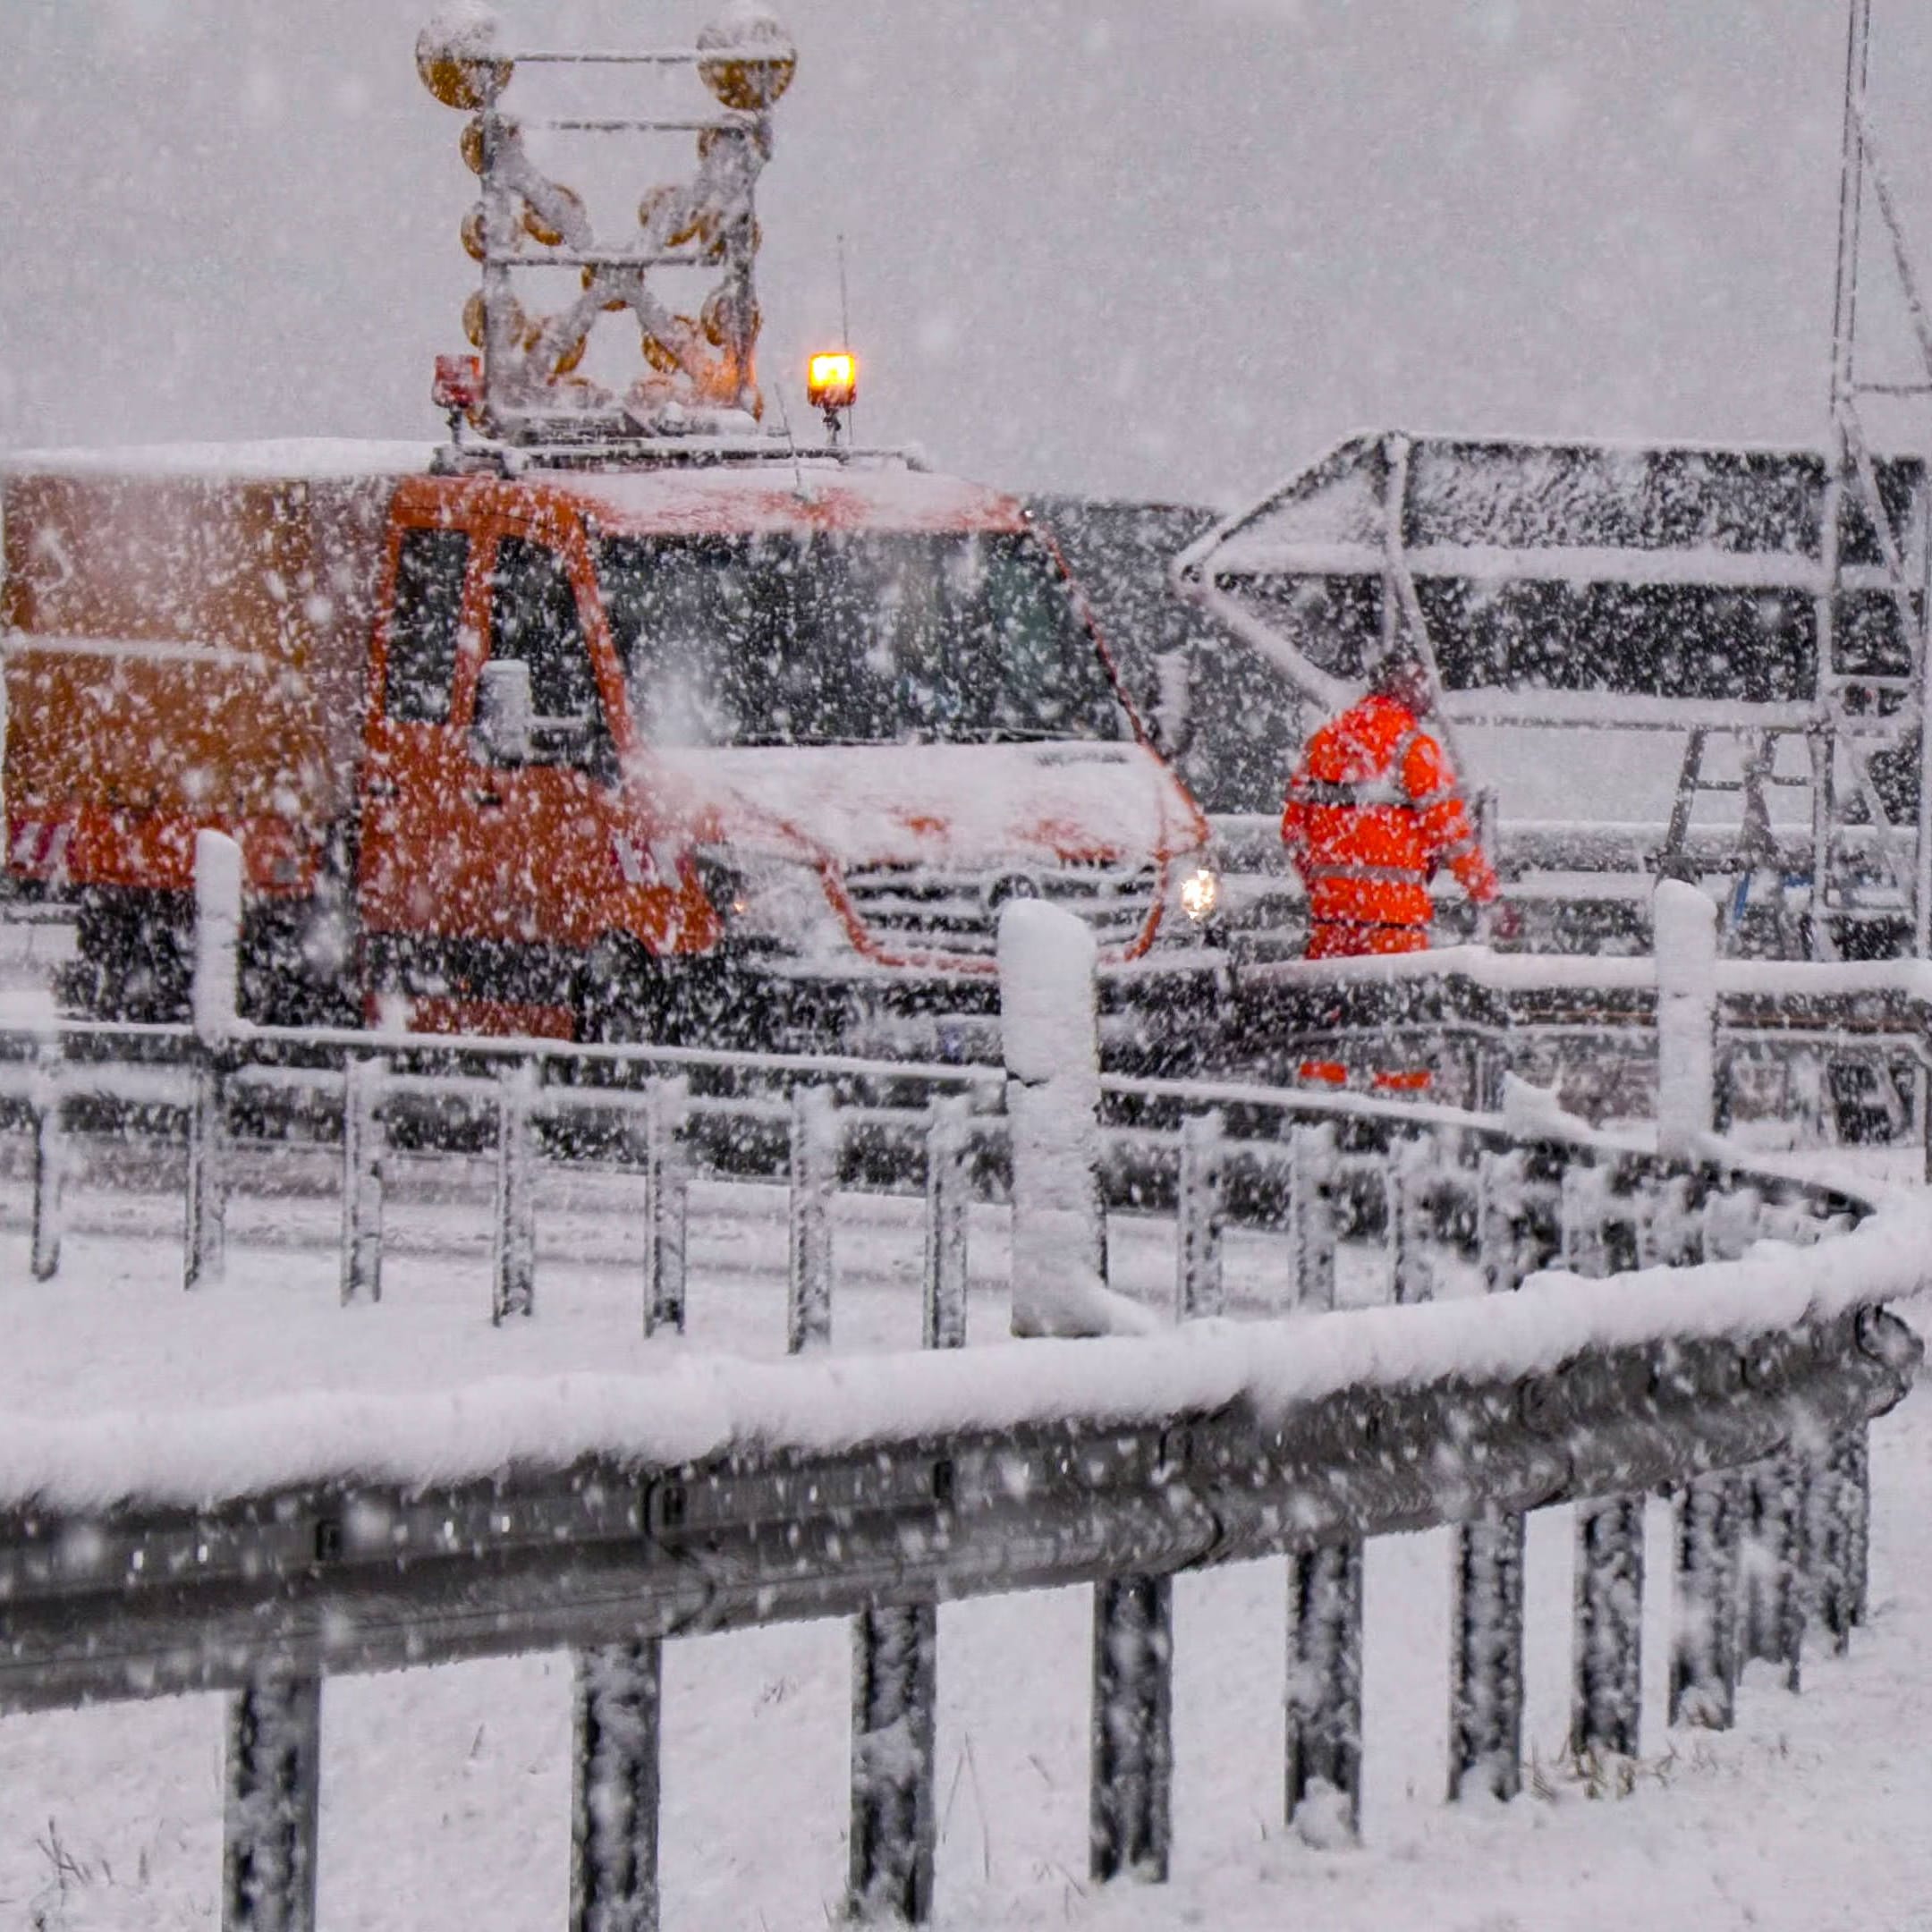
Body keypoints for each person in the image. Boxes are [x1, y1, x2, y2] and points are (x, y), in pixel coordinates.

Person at [1280, 656, 1517, 1090]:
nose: (1428, 695)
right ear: (1398, 688)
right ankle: (1397, 1109)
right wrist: (1488, 897)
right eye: (1420, 684)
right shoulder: (1414, 749)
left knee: (1326, 1024)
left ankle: (1321, 1105)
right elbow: (1452, 837)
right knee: (1398, 1027)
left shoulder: (1323, 743)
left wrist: (1324, 885)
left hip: (1332, 919)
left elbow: (1293, 832)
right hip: (1395, 924)